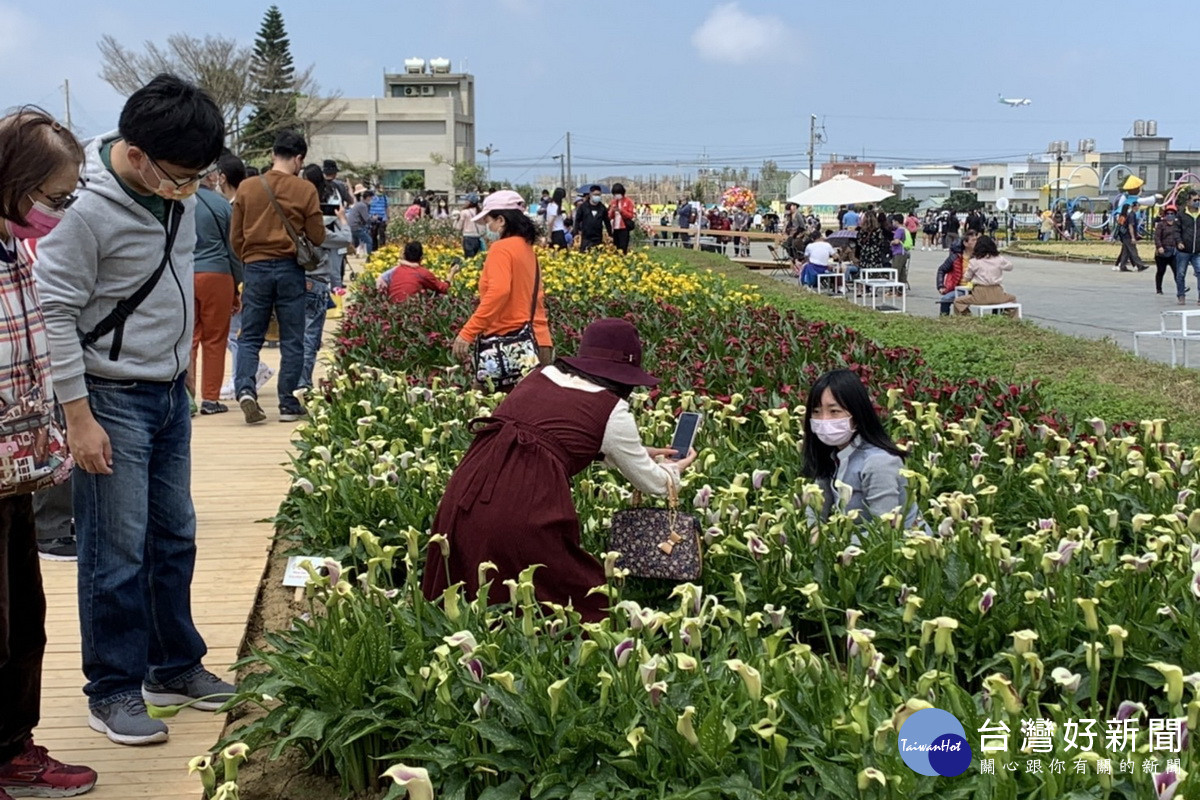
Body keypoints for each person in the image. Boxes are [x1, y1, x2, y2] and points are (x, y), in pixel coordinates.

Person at [35, 74, 235, 746]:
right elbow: (55, 312)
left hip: (168, 389)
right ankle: (113, 689)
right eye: (181, 175)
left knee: (174, 535)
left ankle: (173, 666)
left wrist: (180, 370)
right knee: (114, 550)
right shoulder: (83, 209)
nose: (190, 187)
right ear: (136, 152)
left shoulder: (171, 192)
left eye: (198, 175)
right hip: (109, 395)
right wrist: (79, 415)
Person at [424, 317, 698, 620]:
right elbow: (657, 484)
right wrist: (675, 468)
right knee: (582, 602)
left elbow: (548, 434)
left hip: (468, 486)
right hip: (523, 503)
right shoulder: (612, 409)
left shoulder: (540, 375)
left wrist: (633, 452)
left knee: (472, 588)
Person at [0, 107, 99, 797]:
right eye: (53, 198)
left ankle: (13, 747)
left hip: (16, 472)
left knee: (22, 619)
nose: (57, 214)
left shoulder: (17, 249)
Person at [230, 129, 326, 425]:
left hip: (255, 268)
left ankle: (246, 389)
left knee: (250, 335)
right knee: (293, 339)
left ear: (273, 155)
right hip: (289, 269)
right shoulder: (305, 190)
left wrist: (250, 256)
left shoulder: (246, 187)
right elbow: (317, 236)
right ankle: (287, 404)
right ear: (299, 159)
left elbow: (235, 237)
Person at [451, 191, 553, 387]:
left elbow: (499, 292)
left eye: (489, 220)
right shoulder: (526, 249)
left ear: (501, 220)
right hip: (538, 343)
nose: (488, 226)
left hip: (507, 345)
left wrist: (468, 332)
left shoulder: (501, 249)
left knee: (481, 410)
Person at [801, 369, 918, 528]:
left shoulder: (879, 462)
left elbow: (884, 530)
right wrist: (812, 540)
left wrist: (834, 545)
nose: (824, 420)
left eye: (834, 411)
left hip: (901, 547)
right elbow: (816, 511)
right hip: (851, 545)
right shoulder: (831, 454)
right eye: (816, 411)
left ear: (857, 414)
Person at [190, 151, 245, 416]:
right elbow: (233, 249)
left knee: (187, 339)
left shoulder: (178, 203)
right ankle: (210, 399)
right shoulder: (221, 204)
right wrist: (237, 285)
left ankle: (186, 396)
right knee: (215, 339)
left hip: (184, 276)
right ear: (211, 176)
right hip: (218, 275)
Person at [298, 164, 352, 390]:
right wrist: (341, 219)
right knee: (311, 337)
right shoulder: (318, 228)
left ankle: (290, 380)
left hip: (295, 280)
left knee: (296, 336)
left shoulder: (294, 223)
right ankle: (302, 382)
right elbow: (345, 239)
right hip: (317, 282)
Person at [953, 234, 1017, 317]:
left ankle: (968, 319)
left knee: (958, 302)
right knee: (1012, 299)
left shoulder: (974, 261)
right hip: (998, 293)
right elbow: (1010, 267)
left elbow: (966, 278)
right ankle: (1006, 320)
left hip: (979, 294)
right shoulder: (999, 259)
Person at [376, 241, 462, 302]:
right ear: (421, 258)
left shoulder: (395, 270)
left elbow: (381, 279)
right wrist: (452, 272)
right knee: (442, 297)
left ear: (404, 256)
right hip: (411, 309)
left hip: (393, 308)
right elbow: (443, 288)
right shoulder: (422, 273)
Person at [1173, 192, 1200, 306]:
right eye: (1194, 200)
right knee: (1181, 273)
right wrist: (1179, 242)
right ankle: (1181, 295)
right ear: (1188, 202)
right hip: (1183, 251)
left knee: (1199, 272)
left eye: (1198, 200)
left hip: (1197, 251)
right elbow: (1176, 230)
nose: (1197, 202)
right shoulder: (1181, 215)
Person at [1112, 203, 1149, 273]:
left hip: (1126, 236)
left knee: (1125, 252)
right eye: (1138, 206)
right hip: (1128, 236)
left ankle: (1122, 266)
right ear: (1134, 207)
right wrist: (1132, 237)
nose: (1139, 207)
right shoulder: (1130, 215)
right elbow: (1130, 226)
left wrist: (1136, 234)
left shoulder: (1129, 215)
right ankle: (1140, 265)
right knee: (1133, 251)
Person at [574, 185, 611, 252]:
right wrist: (576, 233)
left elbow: (607, 222)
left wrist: (610, 234)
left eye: (599, 195)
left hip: (598, 237)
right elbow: (577, 220)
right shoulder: (583, 207)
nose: (597, 196)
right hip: (586, 237)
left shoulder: (602, 208)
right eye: (595, 194)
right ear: (590, 194)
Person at [1154, 205, 1182, 296]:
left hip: (1174, 252)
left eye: (1172, 213)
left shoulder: (1177, 225)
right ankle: (1159, 289)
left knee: (1177, 271)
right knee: (1161, 271)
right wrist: (1159, 247)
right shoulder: (1161, 224)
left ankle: (1181, 288)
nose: (1170, 215)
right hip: (1162, 252)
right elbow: (1157, 237)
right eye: (1168, 213)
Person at [608, 183, 636, 254]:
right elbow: (610, 217)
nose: (616, 195)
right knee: (615, 248)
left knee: (623, 248)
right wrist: (612, 211)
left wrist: (621, 211)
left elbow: (630, 215)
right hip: (615, 228)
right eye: (615, 194)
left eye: (618, 193)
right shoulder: (613, 202)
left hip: (624, 227)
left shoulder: (628, 201)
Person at [347, 189, 373, 257]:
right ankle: (369, 258)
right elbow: (367, 219)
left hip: (351, 226)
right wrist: (374, 219)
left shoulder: (359, 204)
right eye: (371, 198)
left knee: (356, 243)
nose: (372, 200)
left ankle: (348, 250)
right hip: (356, 226)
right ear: (368, 197)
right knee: (369, 241)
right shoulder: (363, 206)